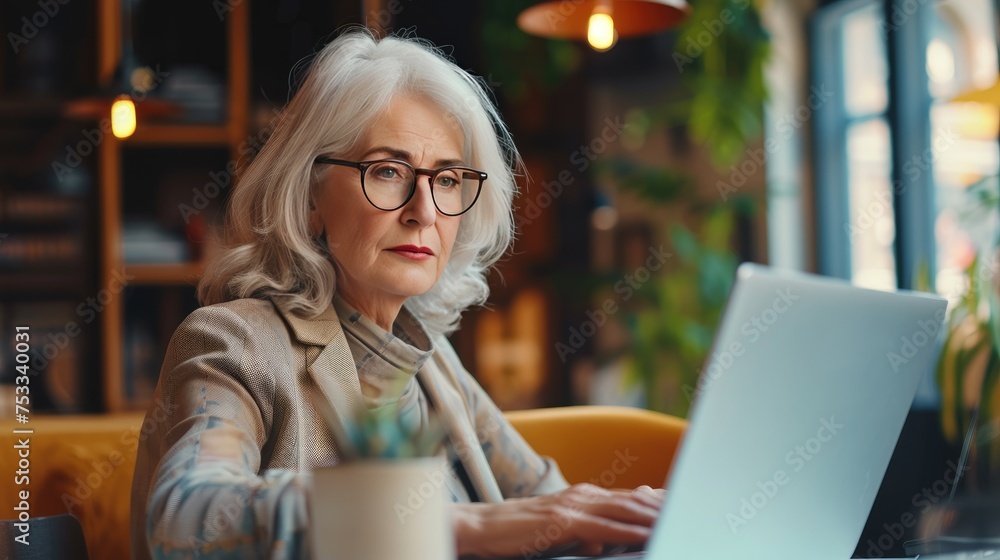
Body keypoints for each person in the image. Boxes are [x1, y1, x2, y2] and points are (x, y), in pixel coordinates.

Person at [129, 29, 663, 559]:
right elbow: (185, 519)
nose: (424, 210)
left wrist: (632, 522)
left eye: (448, 179)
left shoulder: (428, 362)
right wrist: (452, 526)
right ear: (309, 196)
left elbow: (547, 506)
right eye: (388, 171)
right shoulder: (234, 342)